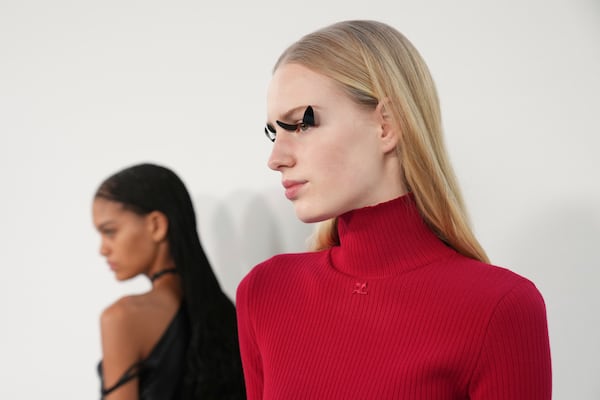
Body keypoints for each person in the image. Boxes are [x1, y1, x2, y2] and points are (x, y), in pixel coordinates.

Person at [236, 20, 552, 399]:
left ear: (387, 124)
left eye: (303, 123)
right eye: (275, 131)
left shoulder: (500, 307)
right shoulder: (266, 293)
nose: (276, 158)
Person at [92, 163, 245, 400]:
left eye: (110, 231)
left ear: (156, 225)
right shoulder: (227, 314)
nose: (103, 249)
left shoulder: (122, 318)